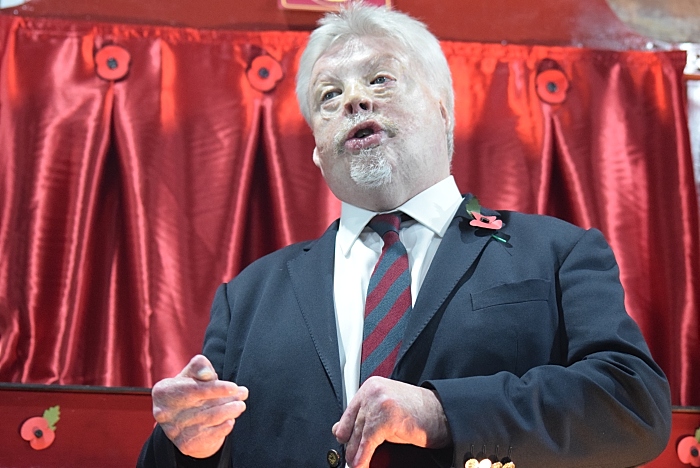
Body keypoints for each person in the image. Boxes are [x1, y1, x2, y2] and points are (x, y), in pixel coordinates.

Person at [137, 3, 672, 468]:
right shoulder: (249, 296)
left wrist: (441, 413)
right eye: (329, 96)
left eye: (380, 80)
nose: (354, 101)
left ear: (443, 110)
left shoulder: (557, 253)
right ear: (319, 152)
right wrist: (187, 445)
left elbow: (632, 405)